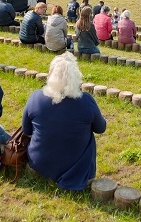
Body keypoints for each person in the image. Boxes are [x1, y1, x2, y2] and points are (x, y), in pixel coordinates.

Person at [22, 52, 107, 190]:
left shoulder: (35, 98)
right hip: (76, 170)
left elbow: (26, 130)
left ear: (50, 75)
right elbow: (101, 128)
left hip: (39, 164)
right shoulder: (86, 101)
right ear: (76, 78)